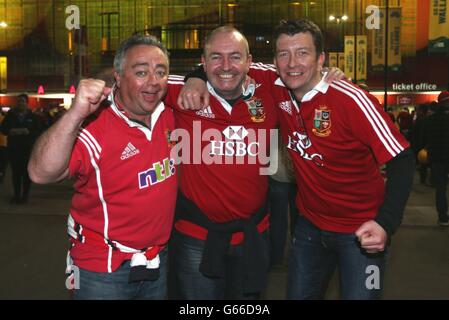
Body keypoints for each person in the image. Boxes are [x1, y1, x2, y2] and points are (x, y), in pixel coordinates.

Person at [182, 19, 415, 300]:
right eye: (283, 54)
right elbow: (225, 65)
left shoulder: (352, 99)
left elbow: (403, 158)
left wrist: (385, 224)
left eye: (303, 53)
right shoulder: (276, 84)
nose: (292, 63)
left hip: (362, 232)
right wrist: (195, 77)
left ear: (321, 59)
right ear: (275, 60)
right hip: (309, 229)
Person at [27, 35, 177, 299]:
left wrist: (198, 77)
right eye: (141, 72)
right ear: (118, 77)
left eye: (161, 72)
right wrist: (75, 113)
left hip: (157, 261)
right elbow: (40, 173)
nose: (153, 81)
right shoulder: (95, 126)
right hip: (103, 268)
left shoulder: (170, 113)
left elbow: (219, 75)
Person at [0, 94, 42, 204]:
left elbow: (39, 131)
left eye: (22, 101)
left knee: (27, 173)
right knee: (16, 173)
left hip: (28, 149)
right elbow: (3, 129)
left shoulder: (33, 117)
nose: (20, 103)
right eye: (19, 101)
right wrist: (10, 131)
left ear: (26, 103)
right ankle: (16, 195)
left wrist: (29, 132)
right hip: (14, 149)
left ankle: (25, 195)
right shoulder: (10, 116)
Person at [422, 91, 449, 227]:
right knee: (441, 187)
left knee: (441, 188)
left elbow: (426, 139)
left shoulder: (431, 120)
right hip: (442, 157)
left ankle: (443, 217)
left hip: (437, 158)